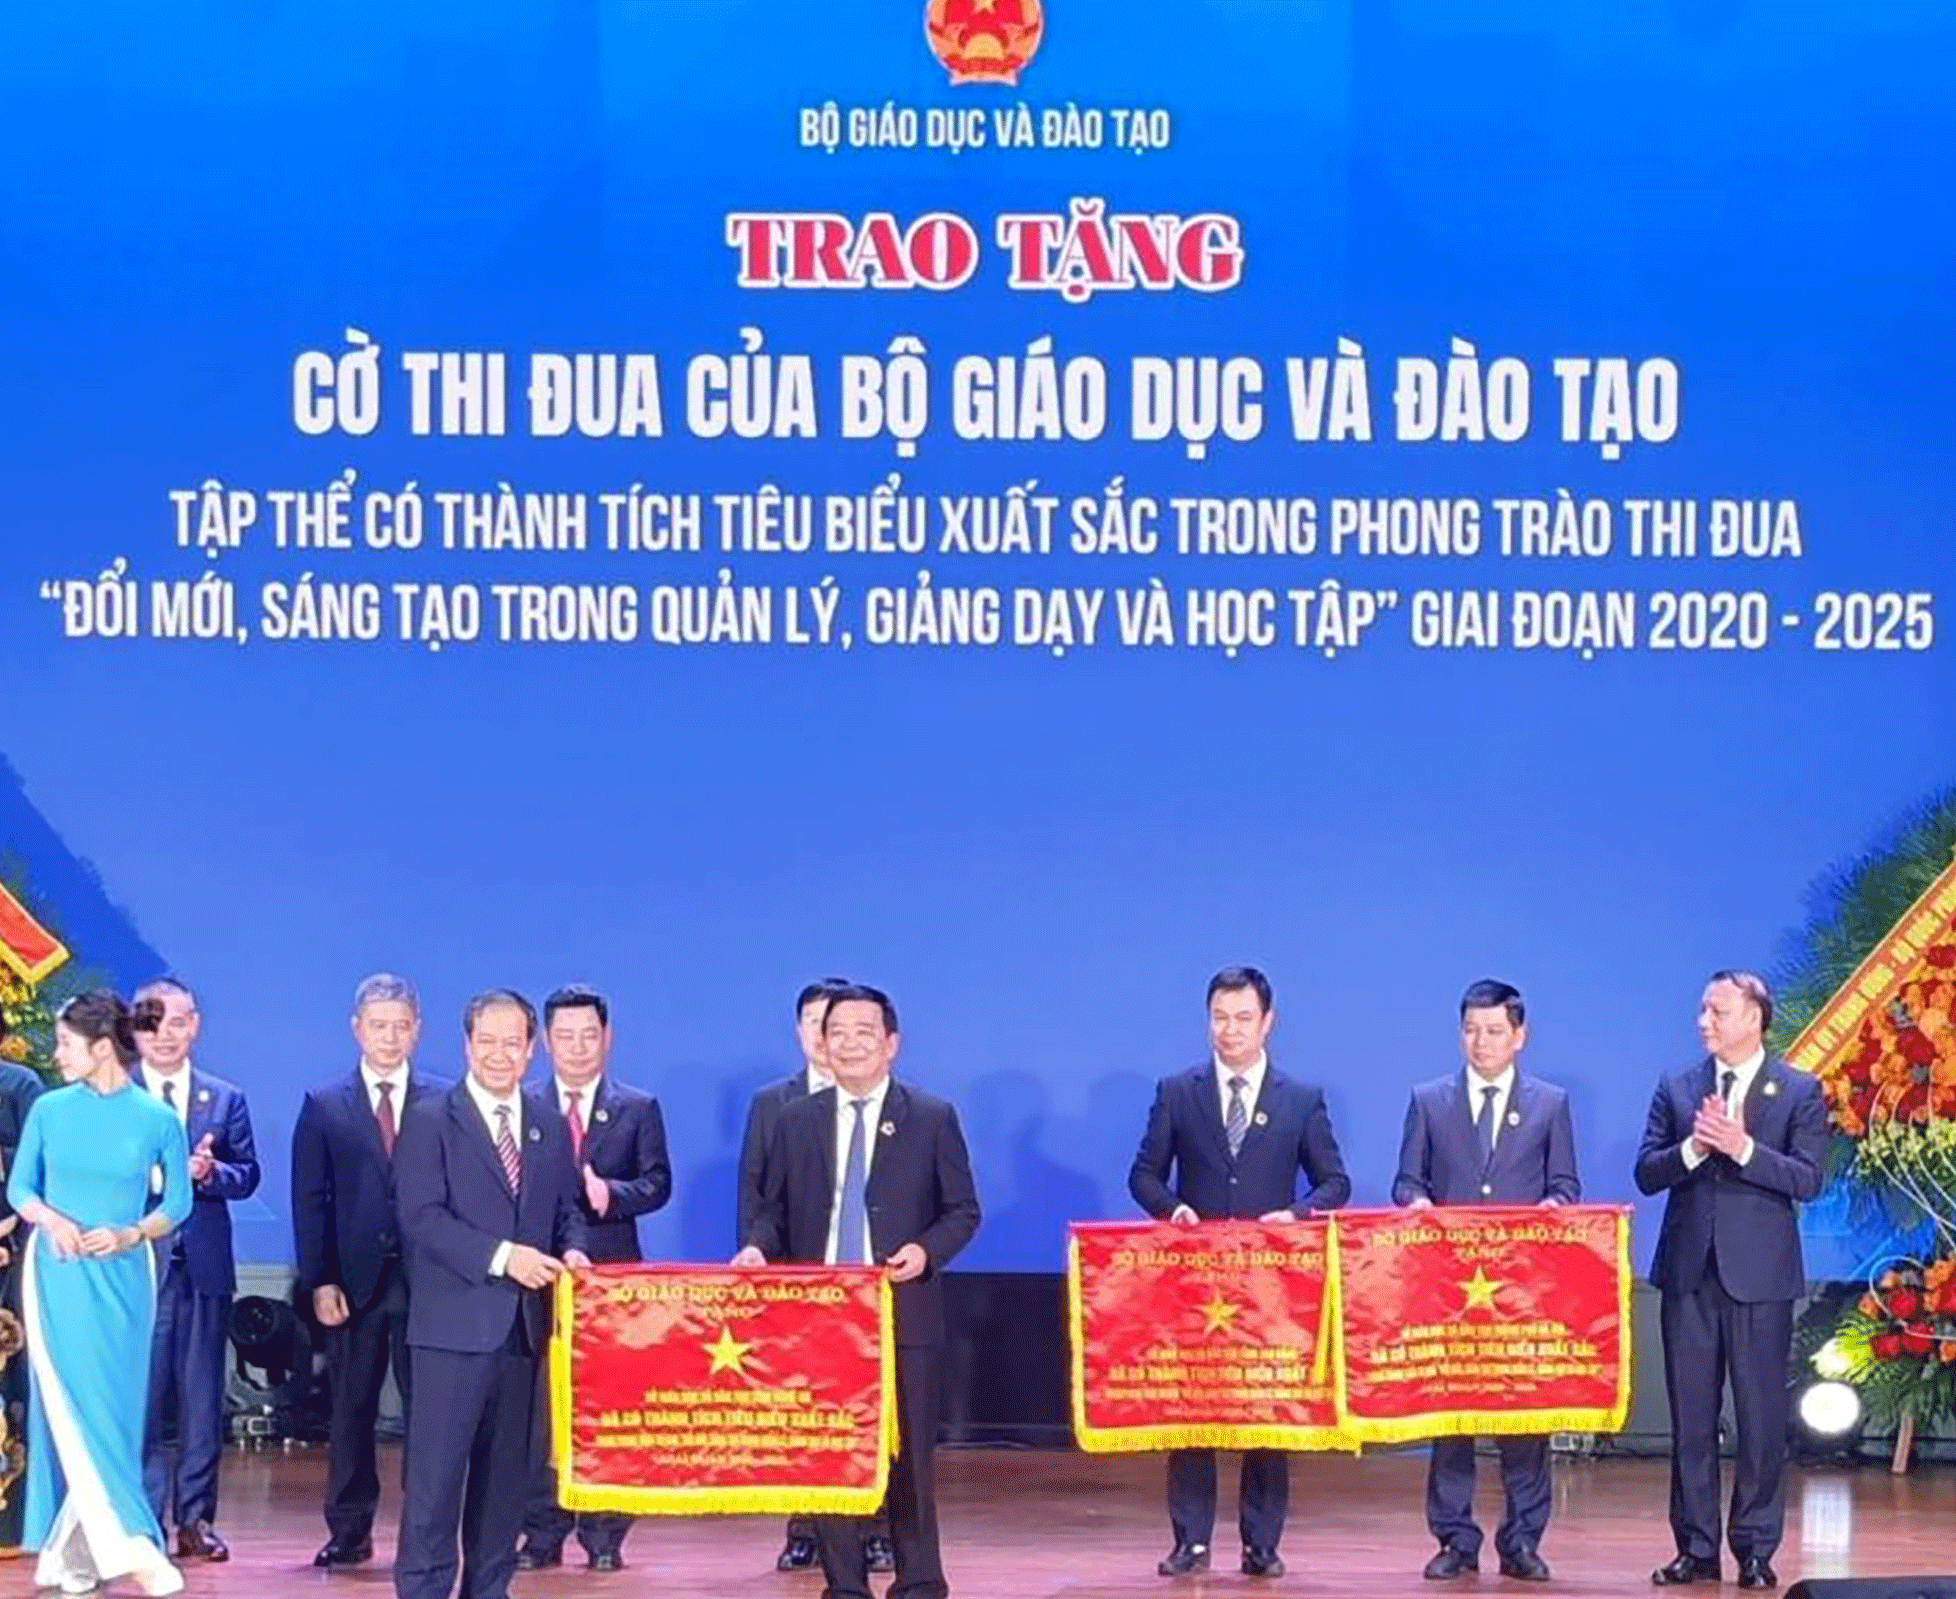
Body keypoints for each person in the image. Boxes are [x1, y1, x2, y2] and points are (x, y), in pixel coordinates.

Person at [736, 982, 980, 1599]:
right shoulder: (796, 1119)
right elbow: (772, 1212)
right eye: (836, 1032)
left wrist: (925, 1252)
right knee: (829, 1452)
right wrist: (758, 1248)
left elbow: (962, 1211)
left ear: (891, 1043)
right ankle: (844, 1585)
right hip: (820, 1317)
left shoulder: (931, 1117)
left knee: (909, 1458)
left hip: (902, 1313)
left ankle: (920, 1580)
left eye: (863, 1032)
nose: (848, 1043)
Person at [1129, 965, 1351, 1581]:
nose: (1230, 1030)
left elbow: (1334, 1182)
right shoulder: (1179, 1091)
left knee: (1266, 1412)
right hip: (1196, 1277)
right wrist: (1172, 1209)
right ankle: (1190, 1542)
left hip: (1270, 1282)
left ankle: (1262, 1544)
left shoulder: (1300, 1098)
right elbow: (1143, 1175)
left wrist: (1296, 1215)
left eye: (1243, 1018)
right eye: (1220, 1018)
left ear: (1268, 1022)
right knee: (1192, 1410)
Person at [393, 990, 589, 1599]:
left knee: (503, 1488)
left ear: (531, 1050)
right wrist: (505, 1258)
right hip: (450, 1332)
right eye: (487, 1042)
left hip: (523, 1334)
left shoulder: (547, 1123)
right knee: (435, 1484)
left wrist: (574, 1249)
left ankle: (489, 1588)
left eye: (512, 1043)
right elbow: (421, 1217)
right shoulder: (429, 1119)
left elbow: (567, 1210)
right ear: (466, 1046)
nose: (499, 1055)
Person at [1636, 971, 1827, 1591]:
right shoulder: (1678, 1087)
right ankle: (1695, 1548)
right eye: (1702, 1010)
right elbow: (1646, 1172)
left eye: (1717, 1011)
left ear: (1754, 1018)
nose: (1704, 1022)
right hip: (1689, 1275)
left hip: (1761, 1279)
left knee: (1760, 1421)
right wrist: (1694, 1148)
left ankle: (1755, 1549)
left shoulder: (1799, 1090)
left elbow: (1808, 1179)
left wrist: (1743, 1148)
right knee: (1691, 1422)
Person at [1392, 979, 1580, 1583]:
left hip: (1522, 1291)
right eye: (1471, 1030)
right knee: (1454, 1420)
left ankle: (1522, 1542)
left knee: (1524, 1419)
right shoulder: (1429, 1101)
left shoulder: (1550, 1103)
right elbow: (1406, 1181)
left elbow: (1565, 1186)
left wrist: (1553, 1207)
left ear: (1519, 1036)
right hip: (1452, 1290)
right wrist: (1417, 1204)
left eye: (1494, 1030)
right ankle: (1455, 1540)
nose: (1481, 1042)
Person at [7, 989, 191, 1596]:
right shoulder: (50, 1110)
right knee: (73, 1407)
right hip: (58, 1275)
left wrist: (132, 1232)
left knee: (114, 1412)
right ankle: (136, 1544)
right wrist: (52, 1221)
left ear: (103, 1047)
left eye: (66, 1043)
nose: (57, 1054)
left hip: (126, 1277)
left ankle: (75, 1551)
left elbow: (178, 1203)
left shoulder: (156, 1119)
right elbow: (20, 1190)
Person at [737, 977, 891, 1574]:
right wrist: (755, 1256)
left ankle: (876, 1529)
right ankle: (804, 1529)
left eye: (847, 1026)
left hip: (872, 1288)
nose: (832, 1038)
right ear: (804, 1032)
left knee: (872, 1412)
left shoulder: (894, 1105)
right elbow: (758, 1194)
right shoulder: (775, 1105)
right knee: (803, 1414)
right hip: (797, 1285)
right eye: (818, 1024)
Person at [517, 984, 670, 1574]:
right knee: (540, 1411)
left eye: (589, 1035)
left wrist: (613, 1195)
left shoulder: (638, 1107)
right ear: (545, 1042)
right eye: (565, 1036)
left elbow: (658, 1183)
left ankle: (605, 1533)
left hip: (612, 1279)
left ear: (608, 1038)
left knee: (609, 1404)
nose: (578, 1047)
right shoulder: (525, 1105)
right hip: (541, 1276)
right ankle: (541, 1531)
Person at [292, 973, 442, 1569]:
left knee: (429, 1414)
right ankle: (349, 1532)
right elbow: (310, 1199)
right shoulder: (324, 1104)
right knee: (351, 1412)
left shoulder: (444, 1100)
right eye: (378, 1026)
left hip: (427, 1282)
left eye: (401, 1026)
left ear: (417, 1030)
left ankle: (427, 1531)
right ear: (357, 1029)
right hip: (352, 1287)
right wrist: (319, 1279)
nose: (389, 1037)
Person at [131, 976, 259, 1564]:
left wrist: (210, 1174)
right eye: (153, 1022)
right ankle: (142, 1520)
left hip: (203, 1269)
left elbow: (247, 1174)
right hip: (137, 1269)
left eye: (178, 1022)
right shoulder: (118, 1096)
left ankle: (195, 1520)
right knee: (142, 1399)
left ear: (196, 1026)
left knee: (202, 1402)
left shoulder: (224, 1099)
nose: (165, 1034)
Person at [0, 1011, 48, 1552]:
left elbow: (40, 1170)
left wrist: (15, 1221)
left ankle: (14, 1517)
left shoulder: (20, 1085)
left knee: (13, 1374)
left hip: (10, 1252)